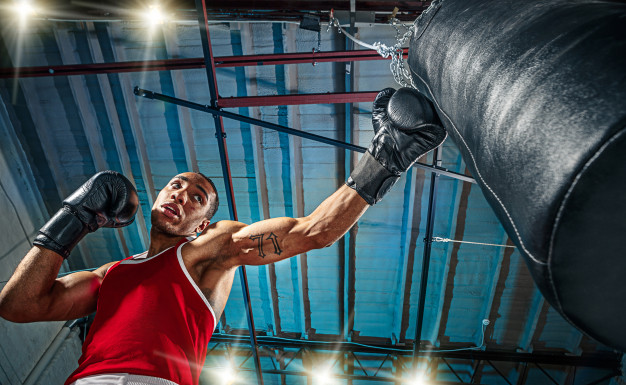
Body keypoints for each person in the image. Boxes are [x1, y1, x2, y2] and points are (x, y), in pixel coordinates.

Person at [0, 87, 446, 385]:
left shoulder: (206, 252)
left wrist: (384, 156)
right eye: (177, 185)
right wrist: (73, 218)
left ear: (203, 225)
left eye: (198, 198)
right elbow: (17, 306)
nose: (182, 194)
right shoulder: (110, 273)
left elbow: (314, 232)